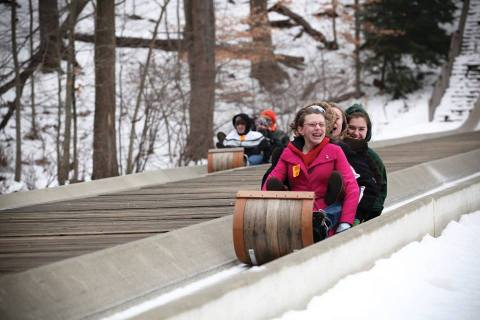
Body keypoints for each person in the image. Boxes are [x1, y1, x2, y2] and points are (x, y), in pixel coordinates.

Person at [262, 103, 359, 241]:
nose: (318, 128)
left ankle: (322, 223)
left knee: (331, 211)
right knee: (276, 187)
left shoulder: (335, 151)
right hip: (297, 209)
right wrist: (262, 211)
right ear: (301, 129)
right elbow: (270, 182)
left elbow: (352, 187)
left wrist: (346, 222)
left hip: (325, 210)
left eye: (321, 124)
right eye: (313, 125)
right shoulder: (288, 154)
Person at [344, 103, 387, 222]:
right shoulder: (335, 150)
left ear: (368, 130)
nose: (356, 133)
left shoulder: (373, 158)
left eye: (361, 129)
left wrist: (370, 215)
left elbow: (381, 188)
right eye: (351, 127)